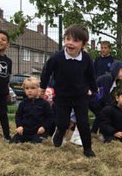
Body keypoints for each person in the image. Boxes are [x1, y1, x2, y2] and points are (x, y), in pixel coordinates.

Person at [41, 24, 97, 158]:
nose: (70, 43)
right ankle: (59, 133)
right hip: (62, 96)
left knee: (83, 123)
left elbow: (90, 75)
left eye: (75, 41)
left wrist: (93, 89)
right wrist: (43, 87)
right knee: (63, 122)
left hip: (80, 96)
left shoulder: (86, 59)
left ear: (83, 44)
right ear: (64, 40)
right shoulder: (57, 57)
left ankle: (87, 149)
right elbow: (46, 71)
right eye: (68, 39)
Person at [11, 75, 52, 143]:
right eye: (27, 88)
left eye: (33, 88)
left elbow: (50, 117)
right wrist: (19, 126)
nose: (29, 91)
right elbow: (18, 116)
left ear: (38, 89)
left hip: (38, 132)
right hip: (25, 131)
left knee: (36, 142)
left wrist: (44, 127)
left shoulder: (44, 103)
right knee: (13, 142)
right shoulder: (23, 103)